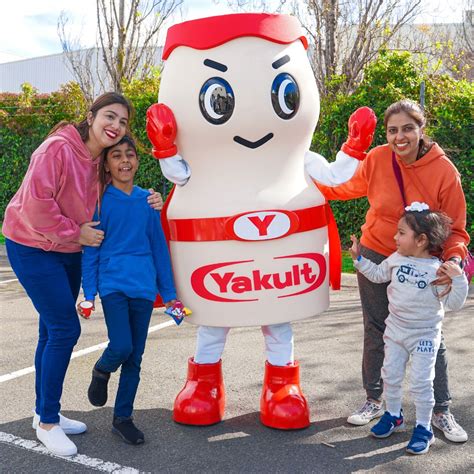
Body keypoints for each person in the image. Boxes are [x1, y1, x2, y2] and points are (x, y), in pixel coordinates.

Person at [1, 92, 162, 457]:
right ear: (90, 116)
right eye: (110, 116)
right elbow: (36, 208)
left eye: (122, 121)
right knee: (64, 329)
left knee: (50, 330)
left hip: (69, 250)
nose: (116, 126)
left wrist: (151, 199)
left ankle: (45, 411)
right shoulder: (56, 149)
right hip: (31, 245)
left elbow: (121, 191)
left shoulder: (99, 160)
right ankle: (46, 425)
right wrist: (77, 232)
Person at [317, 99, 470, 442]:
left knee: (432, 335)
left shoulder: (444, 170)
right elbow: (345, 188)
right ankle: (375, 400)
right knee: (376, 329)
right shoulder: (377, 158)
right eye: (392, 130)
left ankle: (441, 411)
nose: (399, 137)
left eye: (407, 129)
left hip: (422, 264)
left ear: (421, 129)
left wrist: (454, 261)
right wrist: (302, 184)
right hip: (376, 252)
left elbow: (456, 229)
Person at [78, 135, 182, 445]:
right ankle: (101, 370)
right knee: (121, 346)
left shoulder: (148, 202)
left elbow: (159, 250)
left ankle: (123, 419)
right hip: (113, 286)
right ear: (107, 165)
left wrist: (171, 296)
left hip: (144, 289)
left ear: (137, 161)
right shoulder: (99, 202)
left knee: (135, 358)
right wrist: (88, 293)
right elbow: (91, 252)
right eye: (116, 156)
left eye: (130, 155)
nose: (124, 160)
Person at [349, 203, 468, 454]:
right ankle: (393, 415)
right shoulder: (396, 258)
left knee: (421, 382)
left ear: (421, 239)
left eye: (401, 233)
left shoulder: (438, 271)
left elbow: (453, 304)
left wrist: (458, 278)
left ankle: (424, 428)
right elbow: (379, 274)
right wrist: (359, 260)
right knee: (390, 374)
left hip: (424, 335)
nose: (395, 237)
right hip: (395, 331)